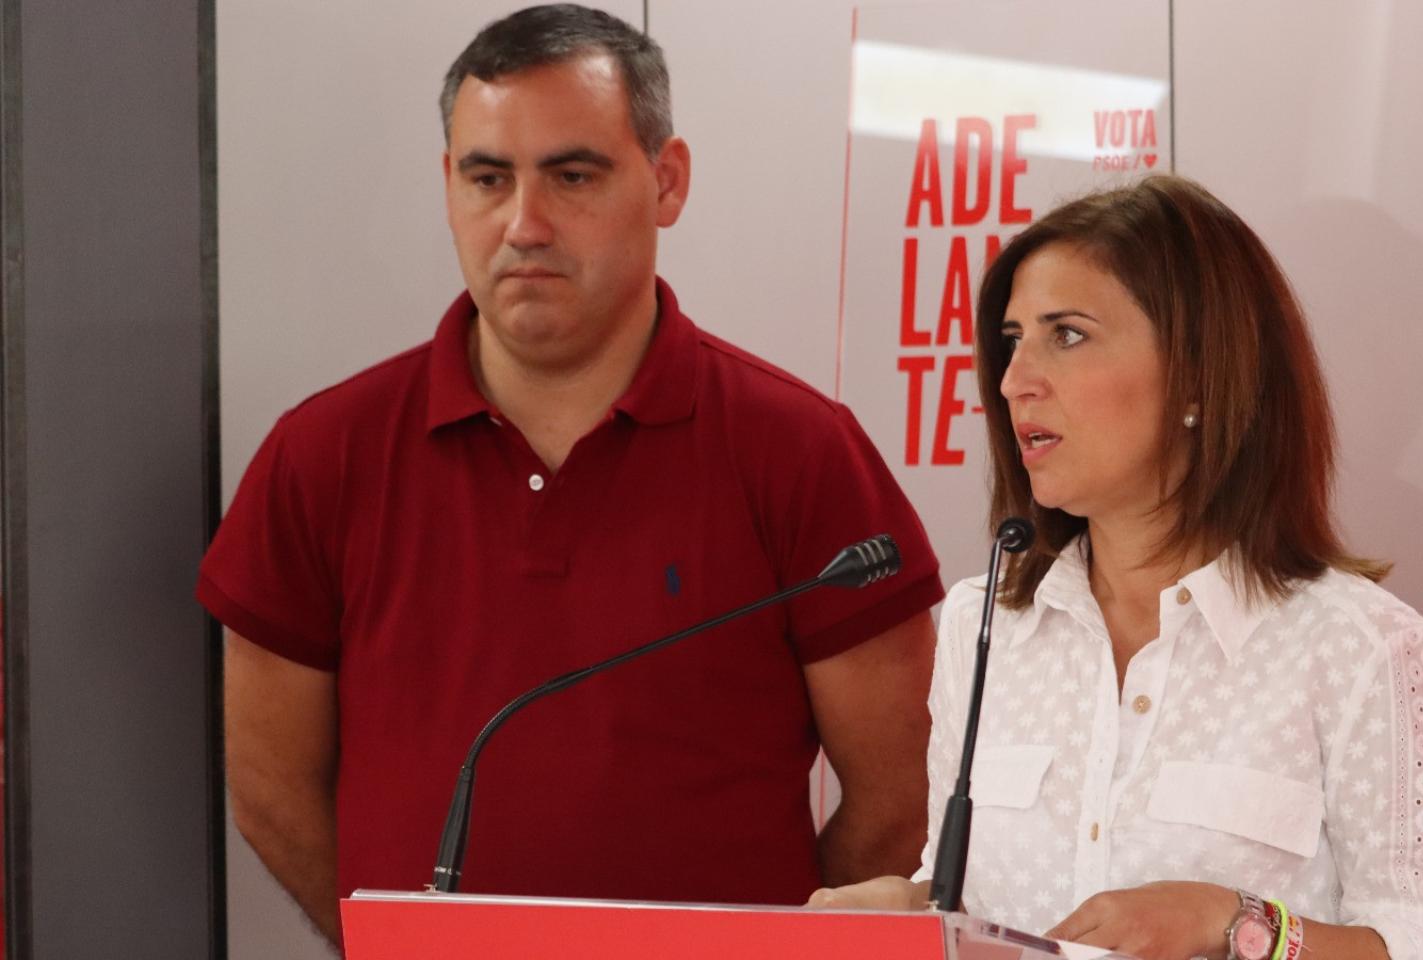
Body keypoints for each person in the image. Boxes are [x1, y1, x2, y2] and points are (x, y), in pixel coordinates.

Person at [200, 4, 942, 948]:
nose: (524, 223)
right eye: (487, 178)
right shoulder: (322, 455)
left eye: (572, 174)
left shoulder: (801, 451)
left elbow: (900, 788)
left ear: (666, 181)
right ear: (448, 187)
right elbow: (269, 783)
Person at [808, 176, 1423, 960]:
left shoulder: (1370, 655)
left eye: (1066, 335)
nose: (1014, 382)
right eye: (1011, 340)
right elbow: (961, 892)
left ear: (1201, 373)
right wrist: (907, 908)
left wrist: (1233, 924)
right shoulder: (982, 623)